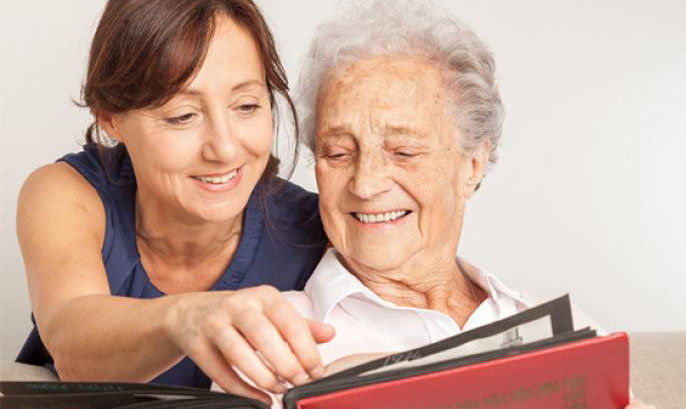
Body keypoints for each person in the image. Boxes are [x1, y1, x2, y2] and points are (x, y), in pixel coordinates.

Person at [255, 1, 653, 407]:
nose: (366, 183)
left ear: (472, 165)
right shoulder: (271, 340)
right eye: (338, 152)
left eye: (404, 151)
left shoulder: (563, 333)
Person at [16, 0, 332, 403]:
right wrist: (188, 317)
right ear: (110, 118)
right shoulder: (68, 193)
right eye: (182, 116)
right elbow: (71, 340)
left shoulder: (316, 229)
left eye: (247, 106)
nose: (224, 147)